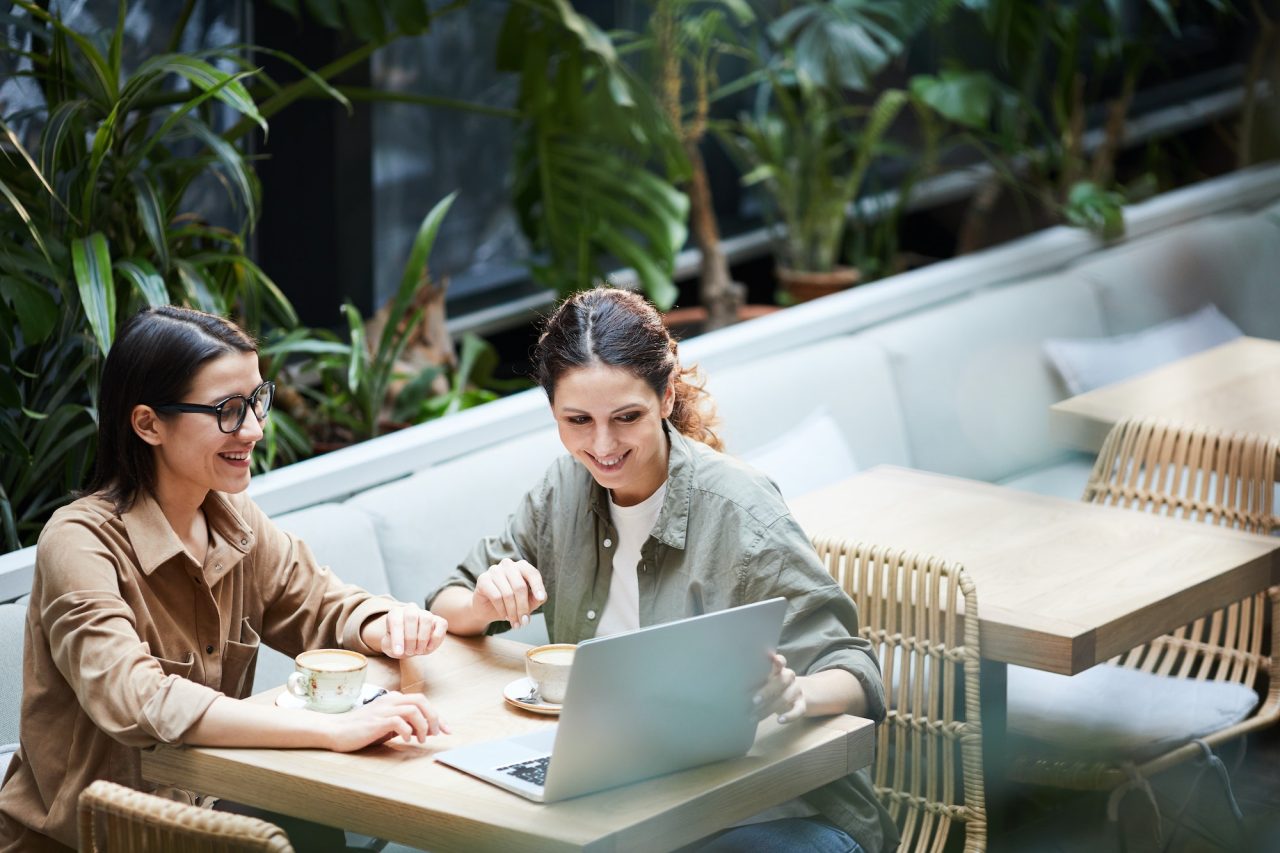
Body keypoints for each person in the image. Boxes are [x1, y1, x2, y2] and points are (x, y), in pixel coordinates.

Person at [429, 287, 897, 853]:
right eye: (577, 420)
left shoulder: (740, 509)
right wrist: (482, 604)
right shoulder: (562, 491)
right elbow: (446, 601)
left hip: (772, 814)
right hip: (622, 801)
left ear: (667, 395)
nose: (602, 445)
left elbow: (856, 672)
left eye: (626, 417)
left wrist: (794, 693)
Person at [0, 306, 450, 853]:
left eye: (257, 401)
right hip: (88, 841)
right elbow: (136, 698)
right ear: (148, 424)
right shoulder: (79, 542)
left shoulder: (233, 518)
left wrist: (388, 624)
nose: (255, 429)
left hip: (202, 815)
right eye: (228, 411)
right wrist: (331, 731)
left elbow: (317, 604)